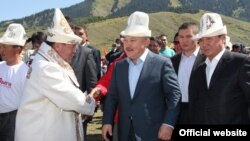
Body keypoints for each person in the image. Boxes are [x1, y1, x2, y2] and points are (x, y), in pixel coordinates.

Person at [15, 8, 96, 141]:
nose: (75, 51)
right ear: (58, 46)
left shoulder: (46, 62)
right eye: (72, 46)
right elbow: (76, 101)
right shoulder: (47, 68)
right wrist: (91, 101)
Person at [102, 11, 181, 141]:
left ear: (145, 42)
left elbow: (174, 95)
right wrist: (107, 121)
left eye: (133, 40)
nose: (127, 45)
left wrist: (168, 124)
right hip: (125, 131)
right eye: (125, 40)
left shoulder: (162, 63)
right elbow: (112, 96)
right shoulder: (119, 66)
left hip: (153, 131)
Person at [189, 12, 250, 124]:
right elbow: (196, 107)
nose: (204, 44)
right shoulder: (199, 70)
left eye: (208, 39)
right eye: (201, 40)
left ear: (223, 38)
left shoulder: (241, 63)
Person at [171, 22, 205, 125]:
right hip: (177, 112)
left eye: (189, 36)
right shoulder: (172, 61)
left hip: (200, 113)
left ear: (197, 38)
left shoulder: (206, 59)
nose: (184, 40)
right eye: (181, 37)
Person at [0, 23, 29, 141]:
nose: (1, 50)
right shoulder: (0, 66)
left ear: (17, 49)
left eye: (5, 47)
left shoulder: (26, 73)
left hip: (12, 119)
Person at [71, 25, 98, 141]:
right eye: (75, 33)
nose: (77, 36)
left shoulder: (88, 52)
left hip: (79, 105)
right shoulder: (57, 52)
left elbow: (93, 79)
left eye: (80, 34)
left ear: (86, 36)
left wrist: (90, 104)